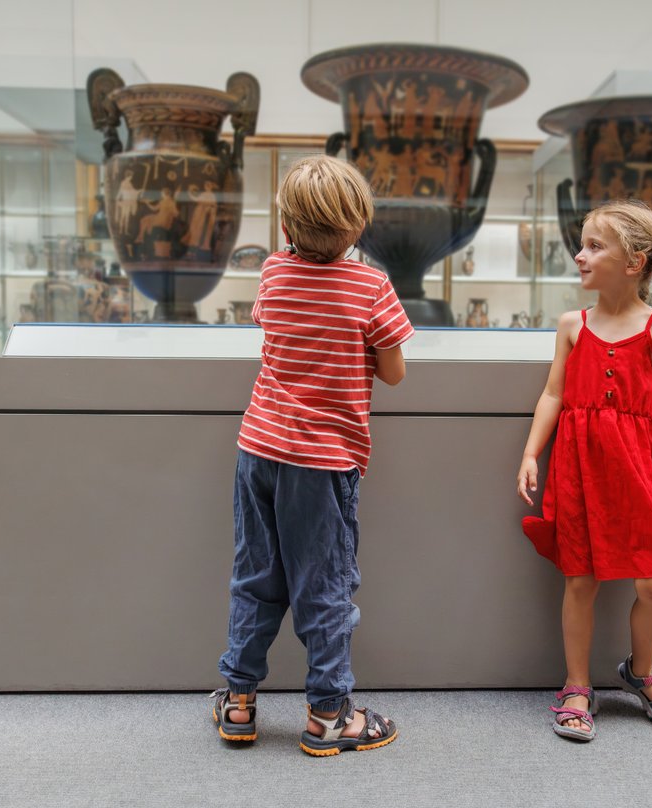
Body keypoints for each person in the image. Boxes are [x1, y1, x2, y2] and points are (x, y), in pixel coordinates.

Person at [211, 155, 414, 757]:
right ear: (357, 225)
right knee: (324, 587)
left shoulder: (273, 273)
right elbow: (395, 373)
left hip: (259, 449)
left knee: (255, 578)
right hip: (323, 463)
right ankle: (329, 716)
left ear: (286, 226)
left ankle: (239, 703)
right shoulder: (370, 284)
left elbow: (273, 332)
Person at [516, 199, 652, 740]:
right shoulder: (572, 325)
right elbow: (553, 394)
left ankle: (640, 673)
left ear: (634, 263)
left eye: (593, 246)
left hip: (635, 467)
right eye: (582, 245)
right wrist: (531, 452)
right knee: (580, 580)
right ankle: (577, 685)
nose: (580, 256)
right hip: (578, 467)